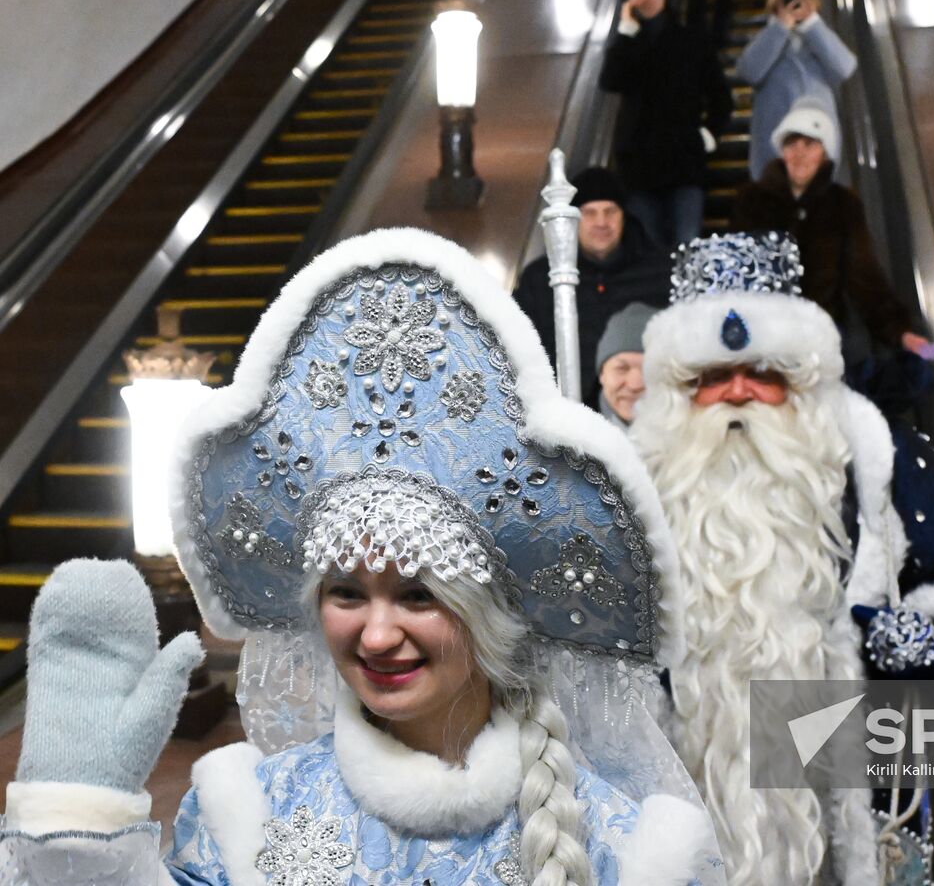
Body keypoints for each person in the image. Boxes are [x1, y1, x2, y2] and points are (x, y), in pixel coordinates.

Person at [0, 229, 725, 886]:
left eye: (417, 595)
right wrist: (83, 841)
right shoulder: (253, 815)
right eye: (347, 593)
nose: (376, 635)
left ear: (492, 615)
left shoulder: (625, 853)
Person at [629, 232, 934, 885]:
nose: (738, 392)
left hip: (854, 833)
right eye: (712, 377)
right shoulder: (629, 484)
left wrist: (928, 644)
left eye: (764, 373)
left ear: (800, 377)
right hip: (675, 831)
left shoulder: (878, 464)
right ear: (680, 390)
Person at [731, 98, 931, 360]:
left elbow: (863, 274)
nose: (799, 154)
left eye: (810, 144)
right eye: (792, 144)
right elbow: (736, 270)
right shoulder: (750, 200)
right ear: (781, 151)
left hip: (820, 335)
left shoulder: (843, 204)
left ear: (824, 153)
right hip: (764, 337)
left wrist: (900, 330)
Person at [513, 166, 670, 408]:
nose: (601, 222)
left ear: (624, 215)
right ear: (573, 218)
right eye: (590, 212)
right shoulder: (539, 279)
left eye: (610, 211)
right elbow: (518, 347)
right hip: (566, 416)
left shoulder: (659, 271)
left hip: (644, 409)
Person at [600, 0, 734, 250]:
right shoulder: (626, 42)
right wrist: (626, 31)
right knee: (649, 251)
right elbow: (610, 81)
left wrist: (708, 135)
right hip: (638, 167)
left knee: (688, 245)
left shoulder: (692, 40)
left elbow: (721, 96)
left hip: (684, 163)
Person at [735, 0, 857, 181]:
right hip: (772, 149)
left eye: (799, 0)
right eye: (788, 1)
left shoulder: (820, 39)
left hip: (818, 144)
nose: (794, 5)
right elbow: (749, 71)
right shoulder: (767, 38)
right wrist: (780, 27)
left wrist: (812, 25)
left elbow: (845, 67)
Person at [596, 301, 659, 425]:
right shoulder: (573, 437)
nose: (635, 385)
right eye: (621, 369)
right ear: (602, 374)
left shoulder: (696, 437)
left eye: (649, 369)